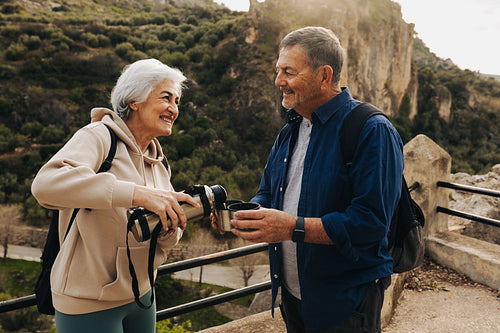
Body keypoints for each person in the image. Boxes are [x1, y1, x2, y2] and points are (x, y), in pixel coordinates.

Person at [229, 27, 404, 332]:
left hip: (347, 302)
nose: (278, 80)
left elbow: (371, 223)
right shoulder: (290, 130)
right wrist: (249, 215)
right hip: (294, 298)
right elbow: (269, 192)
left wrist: (289, 227)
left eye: (288, 71)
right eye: (278, 70)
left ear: (324, 76)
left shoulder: (371, 130)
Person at [31, 58, 199, 333]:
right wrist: (135, 194)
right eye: (166, 97)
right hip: (88, 300)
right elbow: (45, 185)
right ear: (134, 99)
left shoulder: (158, 160)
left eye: (177, 101)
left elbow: (157, 239)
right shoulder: (99, 136)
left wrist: (172, 225)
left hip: (142, 294)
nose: (174, 108)